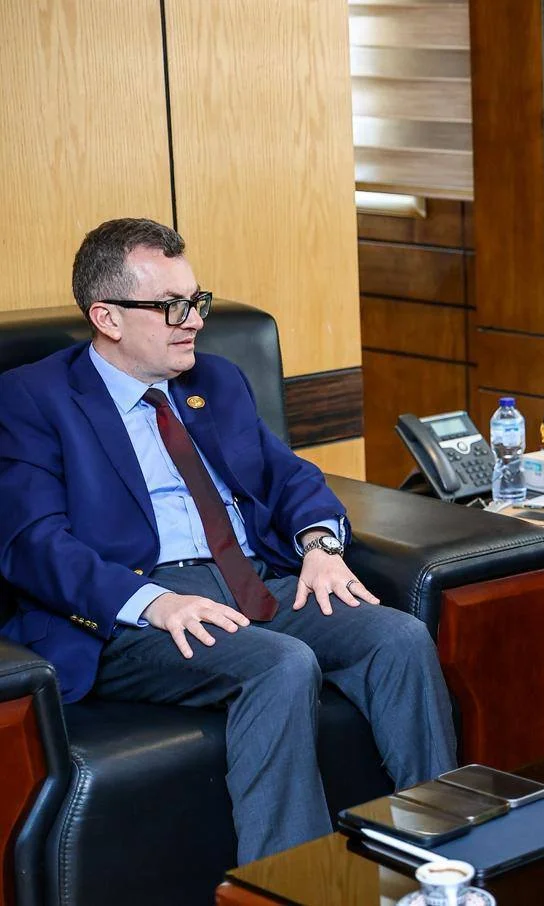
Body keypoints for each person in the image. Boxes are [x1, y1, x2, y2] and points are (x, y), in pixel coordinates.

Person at [0, 218, 457, 864]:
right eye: (171, 306)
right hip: (134, 609)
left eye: (197, 301)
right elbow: (33, 542)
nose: (193, 321)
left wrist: (320, 546)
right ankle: (290, 887)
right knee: (281, 665)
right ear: (107, 317)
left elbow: (289, 476)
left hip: (248, 578)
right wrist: (156, 602)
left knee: (399, 638)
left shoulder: (214, 381)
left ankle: (440, 859)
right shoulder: (34, 398)